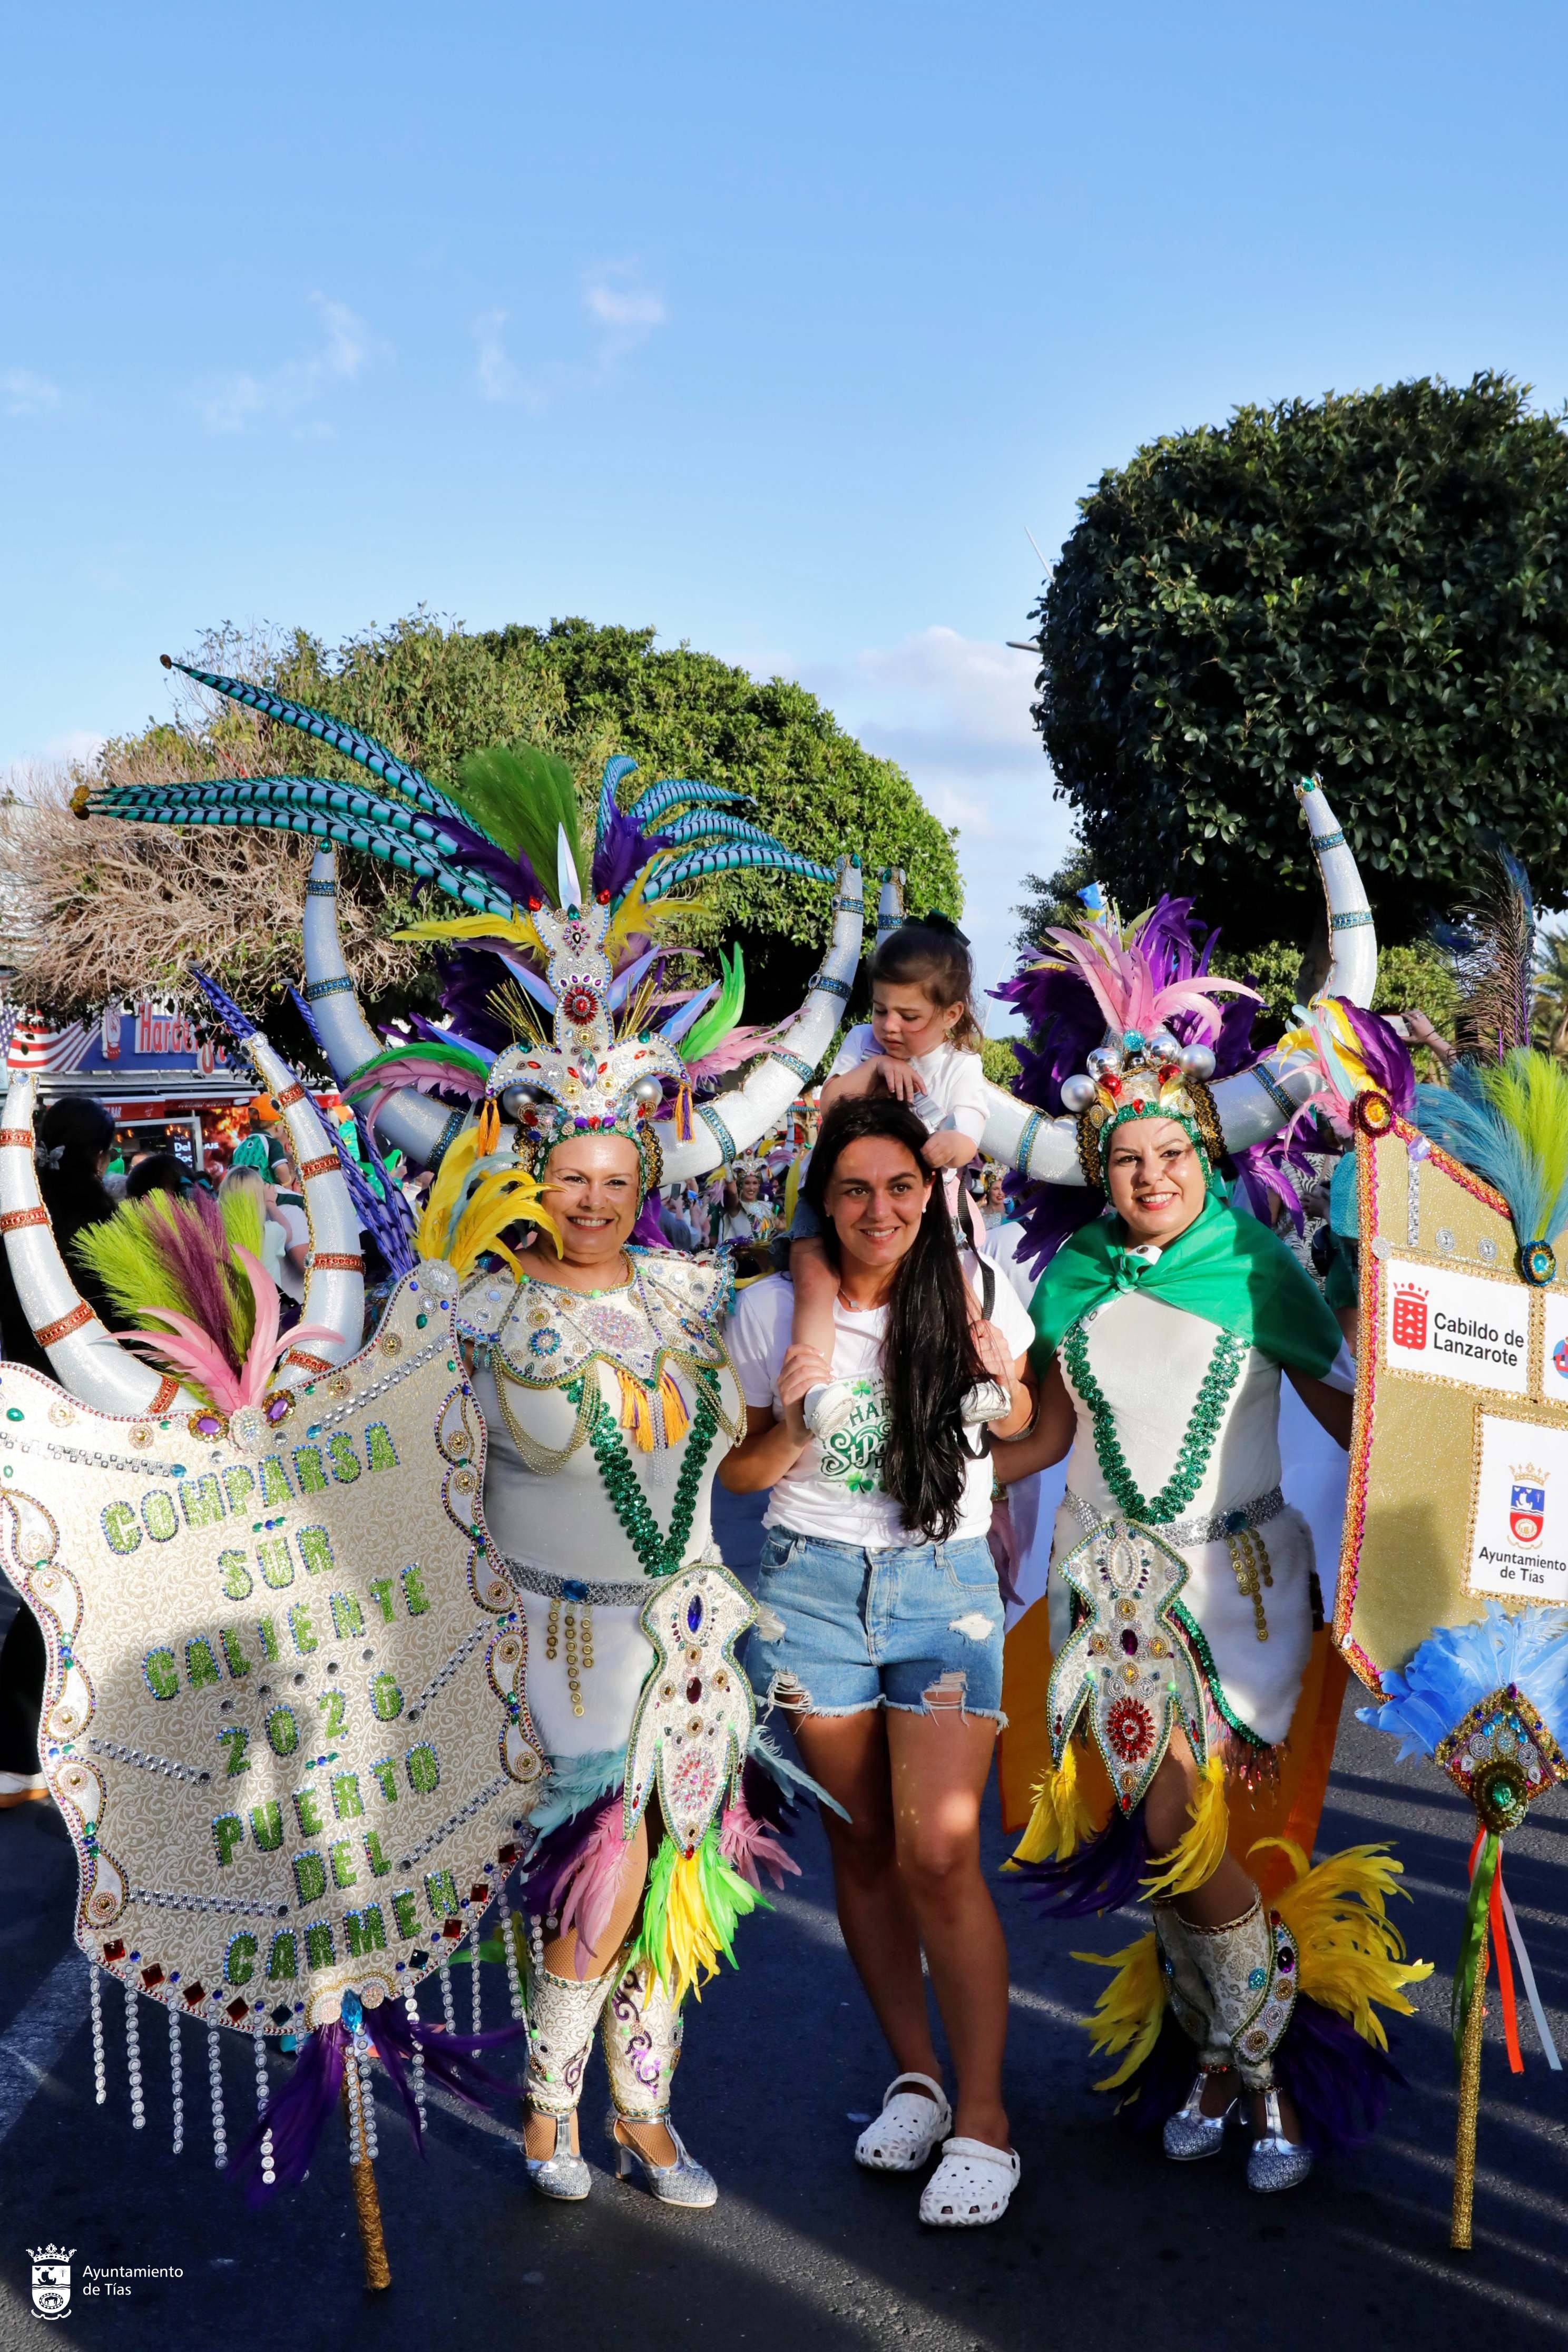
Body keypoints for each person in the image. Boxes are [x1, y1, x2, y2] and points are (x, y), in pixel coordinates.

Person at [995, 1010, 1426, 2193]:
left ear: (1207, 1157)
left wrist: (1462, 1423)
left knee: (1203, 1833)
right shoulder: (1072, 1276)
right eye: (1129, 1157)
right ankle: (1227, 2067)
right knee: (1158, 1838)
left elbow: (1357, 1417)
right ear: (1102, 1170)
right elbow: (1042, 1434)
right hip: (1107, 1602)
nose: (1151, 1176)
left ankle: (1263, 2069)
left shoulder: (1255, 1264)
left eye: (1174, 1154)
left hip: (1236, 1596)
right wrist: (943, 1465)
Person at [721, 1095, 1035, 2228]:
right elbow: (743, 1477)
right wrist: (797, 1424)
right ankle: (917, 2076)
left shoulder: (982, 1288)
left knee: (940, 1854)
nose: (880, 1209)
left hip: (943, 1596)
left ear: (927, 1193)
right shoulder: (768, 1311)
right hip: (809, 1592)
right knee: (860, 1848)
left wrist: (1004, 1388)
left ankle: (987, 2120)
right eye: (854, 1189)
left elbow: (1026, 1414)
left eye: (901, 1187)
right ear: (824, 1200)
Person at [789, 917, 989, 1438]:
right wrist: (874, 1073)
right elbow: (830, 1102)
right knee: (813, 1280)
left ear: (950, 1015)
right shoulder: (862, 1043)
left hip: (922, 1209)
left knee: (957, 1280)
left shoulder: (959, 1064)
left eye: (910, 1015)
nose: (890, 1026)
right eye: (881, 1010)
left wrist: (957, 1143)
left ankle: (978, 1376)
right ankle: (815, 1388)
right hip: (834, 1196)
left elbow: (970, 1121)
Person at [0, 1095, 119, 1807]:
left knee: (52, 1583)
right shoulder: (106, 1225)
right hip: (102, 1430)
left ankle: (24, 1751)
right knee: (81, 1586)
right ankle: (31, 1745)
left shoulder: (18, 1223)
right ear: (103, 1155)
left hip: (28, 1419)